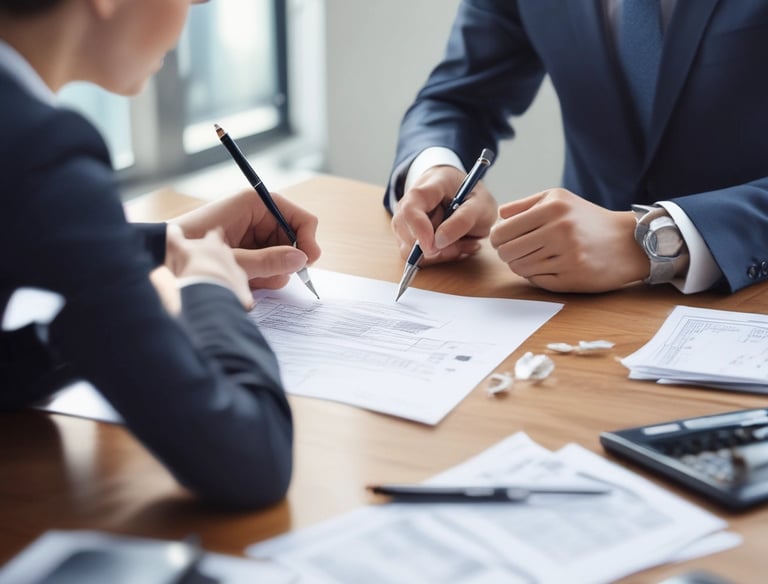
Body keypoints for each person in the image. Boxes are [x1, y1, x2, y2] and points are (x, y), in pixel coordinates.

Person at [0, 0, 321, 508]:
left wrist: (148, 249)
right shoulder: (39, 148)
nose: (192, 13)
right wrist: (209, 290)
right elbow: (250, 460)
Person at [385, 0, 768, 294]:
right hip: (573, 302)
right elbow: (459, 100)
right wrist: (437, 170)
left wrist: (656, 238)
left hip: (747, 300)